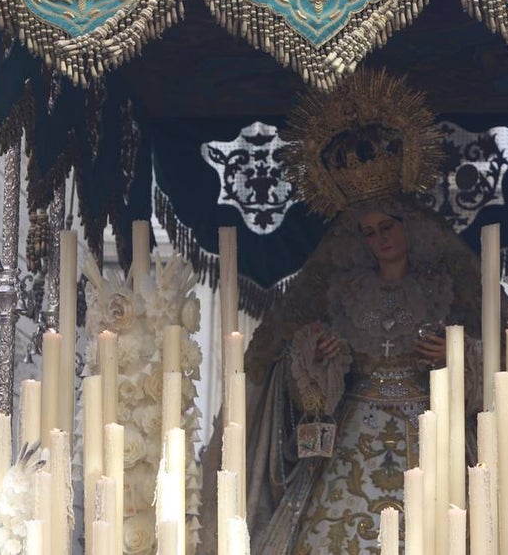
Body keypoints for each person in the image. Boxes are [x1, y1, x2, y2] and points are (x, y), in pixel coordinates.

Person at [197, 70, 487, 555]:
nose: (381, 239)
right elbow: (299, 371)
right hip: (356, 426)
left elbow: (489, 355)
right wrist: (316, 355)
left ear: (409, 227)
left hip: (428, 426)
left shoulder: (444, 285)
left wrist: (453, 355)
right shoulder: (344, 291)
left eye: (388, 226)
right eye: (369, 231)